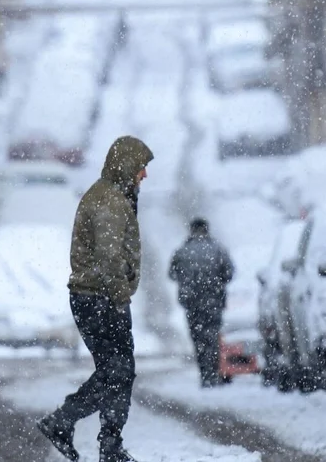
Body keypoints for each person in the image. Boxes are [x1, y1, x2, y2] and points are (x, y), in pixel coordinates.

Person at [38, 136, 154, 462]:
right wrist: (119, 297)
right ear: (127, 166)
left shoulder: (112, 196)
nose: (144, 175)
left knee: (116, 372)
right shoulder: (109, 201)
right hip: (100, 299)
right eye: (141, 168)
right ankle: (70, 425)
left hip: (98, 297)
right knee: (117, 372)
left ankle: (105, 443)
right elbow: (108, 259)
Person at [169, 218, 234, 387]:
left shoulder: (182, 251)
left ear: (191, 230)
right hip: (214, 301)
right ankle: (215, 372)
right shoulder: (218, 249)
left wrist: (189, 282)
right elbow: (229, 273)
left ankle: (205, 374)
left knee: (198, 338)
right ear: (207, 229)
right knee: (213, 336)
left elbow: (172, 274)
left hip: (192, 303)